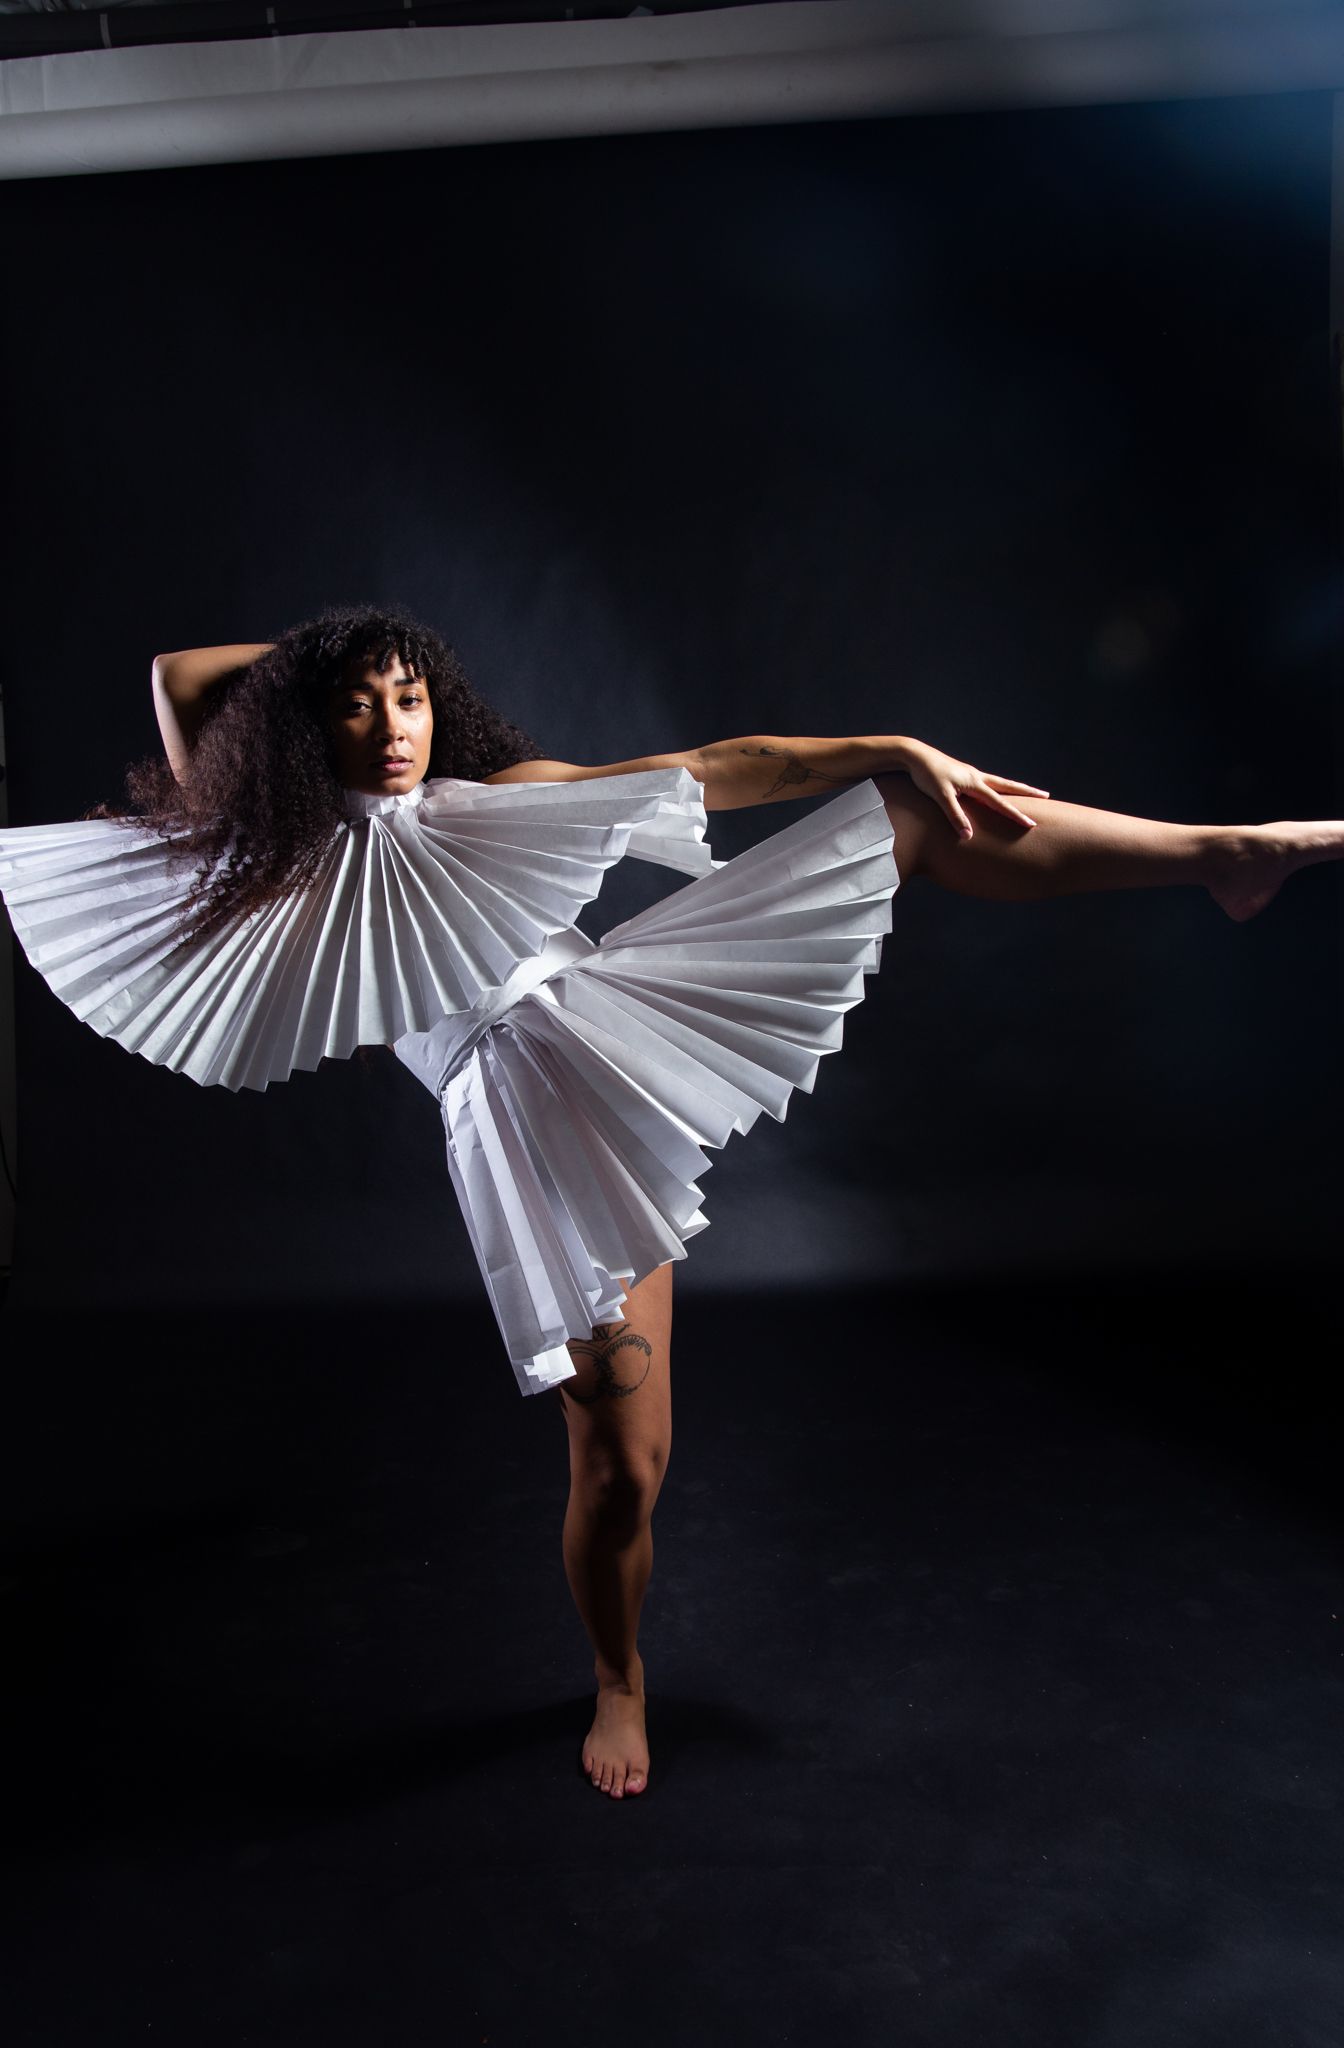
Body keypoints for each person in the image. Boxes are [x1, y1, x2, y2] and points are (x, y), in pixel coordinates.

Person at [0, 602, 1339, 1805]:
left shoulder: (499, 796)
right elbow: (183, 670)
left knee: (915, 812)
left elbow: (722, 768)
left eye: (410, 694)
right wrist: (327, 654)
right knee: (625, 1466)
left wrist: (890, 742)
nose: (395, 725)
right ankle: (619, 1673)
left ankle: (1229, 849)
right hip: (531, 1135)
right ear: (306, 719)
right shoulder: (273, 858)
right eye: (359, 700)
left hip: (629, 1011)